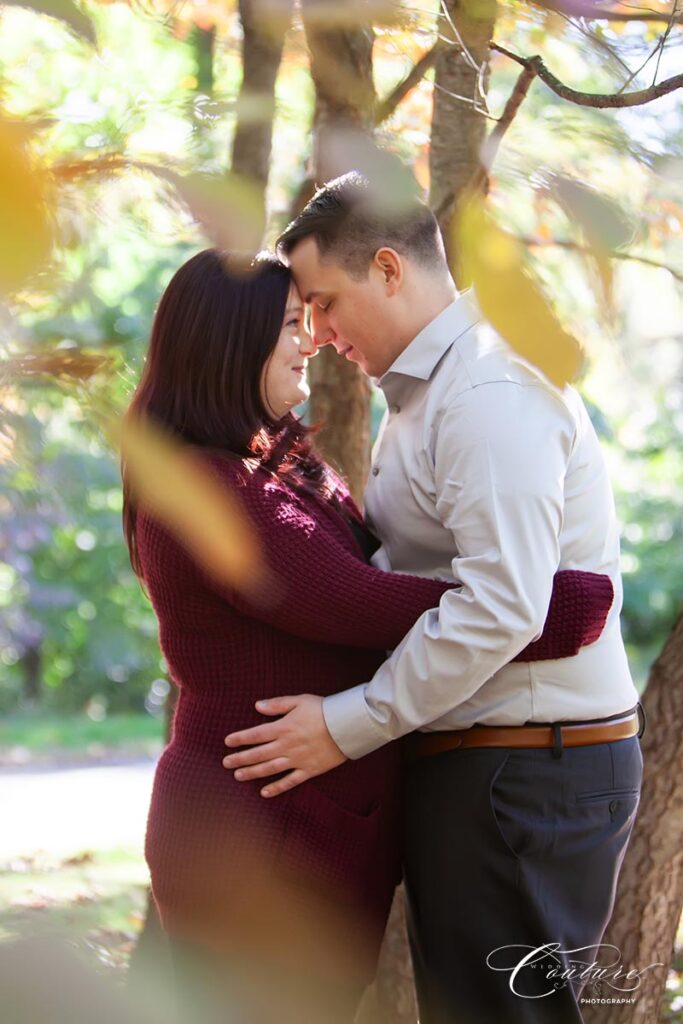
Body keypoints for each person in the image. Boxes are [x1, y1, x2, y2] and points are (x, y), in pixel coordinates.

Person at [221, 173, 643, 1024]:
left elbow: (499, 604)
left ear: (385, 268)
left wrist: (347, 725)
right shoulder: (427, 394)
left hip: (523, 773)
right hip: (494, 767)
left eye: (323, 303)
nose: (318, 332)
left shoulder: (487, 389)